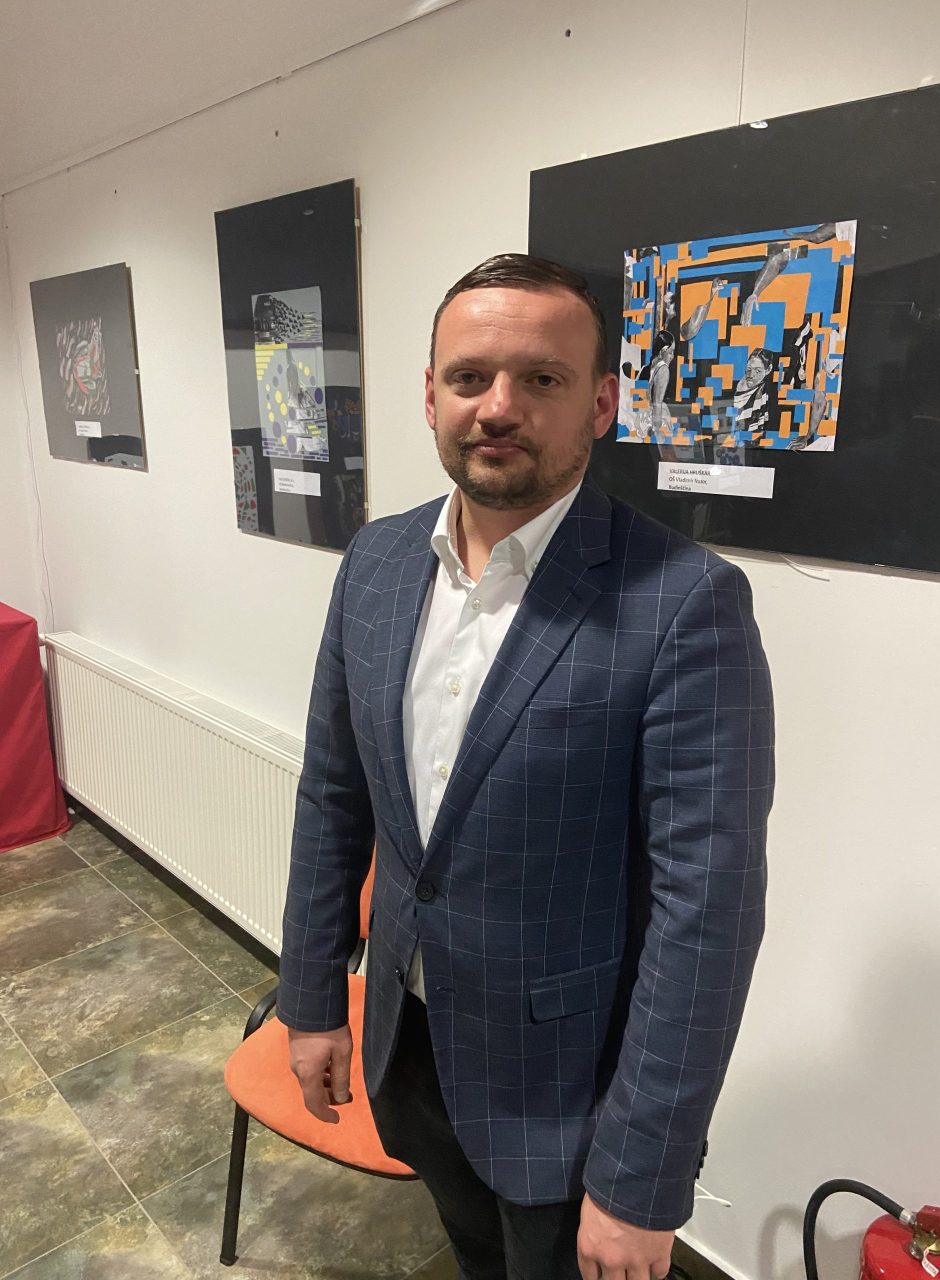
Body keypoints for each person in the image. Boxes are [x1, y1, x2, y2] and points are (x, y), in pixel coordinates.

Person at [278, 254, 775, 1280]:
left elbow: (707, 913)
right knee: (473, 1254)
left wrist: (641, 1176)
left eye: (541, 378)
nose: (498, 407)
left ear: (600, 404)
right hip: (411, 1051)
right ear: (431, 396)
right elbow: (333, 794)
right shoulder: (375, 563)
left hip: (571, 1097)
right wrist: (314, 995)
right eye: (470, 377)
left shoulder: (685, 602)